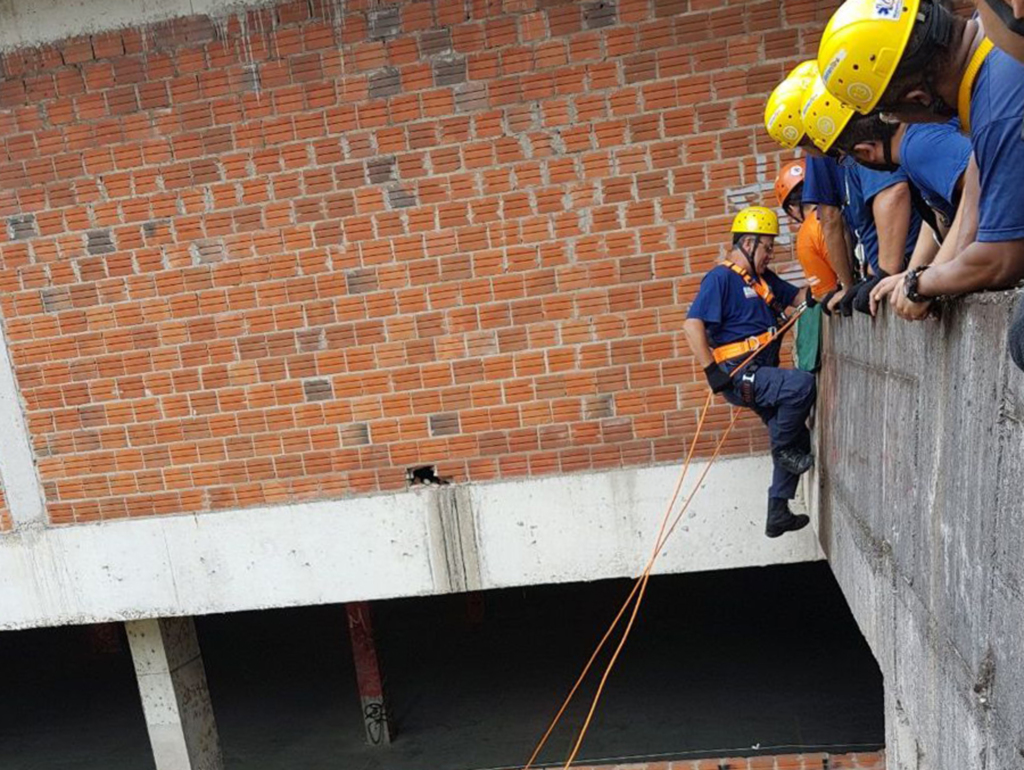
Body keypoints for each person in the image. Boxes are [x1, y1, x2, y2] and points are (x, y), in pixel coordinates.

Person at [817, 0, 1024, 362]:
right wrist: (932, 271)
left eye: (889, 113)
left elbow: (1002, 259)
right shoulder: (993, 36)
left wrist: (919, 283)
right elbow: (977, 176)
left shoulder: (996, 113)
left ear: (919, 98)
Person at [683, 207, 815, 538]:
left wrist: (827, 286)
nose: (770, 255)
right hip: (738, 373)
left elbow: (798, 297)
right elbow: (692, 324)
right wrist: (711, 371)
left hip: (760, 371)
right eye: (767, 248)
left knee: (797, 434)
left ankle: (778, 511)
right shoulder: (721, 279)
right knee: (800, 386)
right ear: (748, 243)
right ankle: (782, 449)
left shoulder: (763, 281)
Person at [801, 76, 923, 315]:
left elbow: (893, 192)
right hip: (905, 266)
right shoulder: (847, 153)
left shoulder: (865, 145)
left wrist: (887, 273)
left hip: (905, 264)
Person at [775, 159, 837, 371]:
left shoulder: (807, 234)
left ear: (792, 208)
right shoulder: (839, 207)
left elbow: (826, 293)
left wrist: (815, 293)